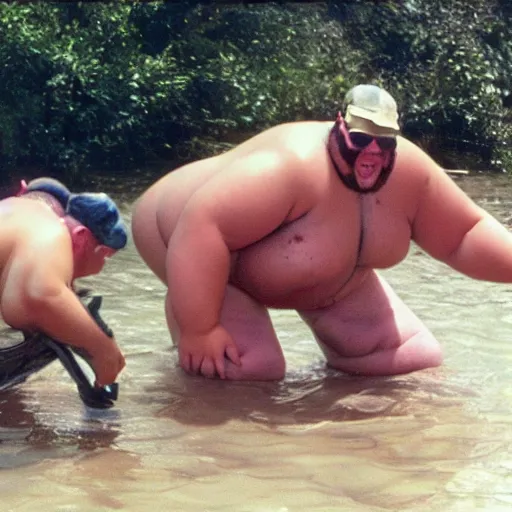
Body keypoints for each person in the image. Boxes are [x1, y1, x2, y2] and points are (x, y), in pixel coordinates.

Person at [131, 83, 512, 381]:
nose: (371, 154)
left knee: (412, 361)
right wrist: (200, 328)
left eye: (383, 143)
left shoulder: (410, 175)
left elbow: (465, 234)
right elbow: (203, 226)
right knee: (250, 368)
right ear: (340, 127)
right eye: (361, 140)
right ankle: (186, 345)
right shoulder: (286, 166)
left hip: (333, 279)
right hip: (185, 237)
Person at [0, 177, 128, 386]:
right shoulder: (48, 228)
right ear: (81, 236)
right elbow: (40, 293)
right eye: (104, 256)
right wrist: (104, 351)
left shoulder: (15, 212)